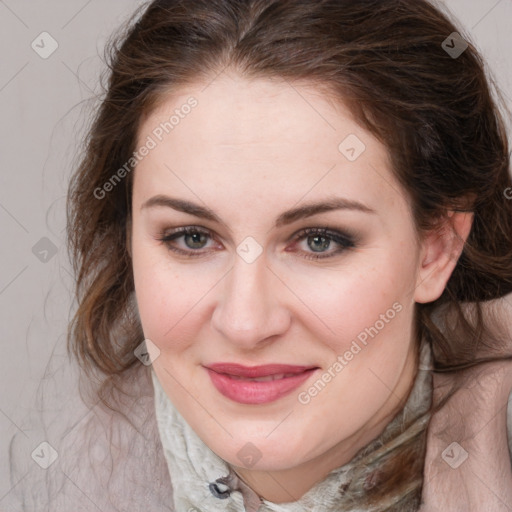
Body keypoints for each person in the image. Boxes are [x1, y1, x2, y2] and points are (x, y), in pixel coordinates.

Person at [7, 0, 512, 510]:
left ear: (436, 249)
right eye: (192, 237)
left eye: (320, 240)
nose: (246, 324)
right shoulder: (50, 472)